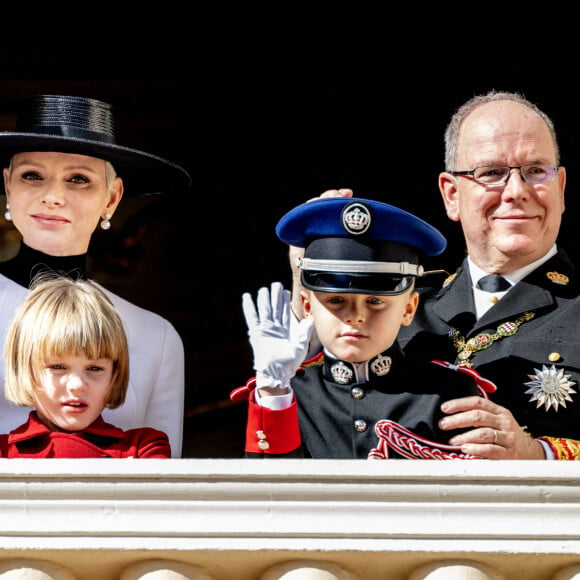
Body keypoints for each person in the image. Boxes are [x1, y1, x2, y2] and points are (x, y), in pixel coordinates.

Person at [290, 91, 580, 460]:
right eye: (491, 173)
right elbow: (311, 404)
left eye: (536, 171)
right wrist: (308, 274)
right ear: (451, 195)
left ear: (561, 187)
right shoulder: (404, 301)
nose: (516, 192)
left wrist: (539, 455)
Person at [231, 197, 496, 459]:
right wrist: (273, 395)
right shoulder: (290, 394)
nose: (356, 316)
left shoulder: (449, 393)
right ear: (307, 306)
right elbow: (270, 495)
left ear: (408, 309)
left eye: (375, 301)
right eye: (335, 301)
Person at [0, 94, 191, 457]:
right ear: (9, 185)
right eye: (32, 175)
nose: (53, 196)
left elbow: (164, 488)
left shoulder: (156, 335)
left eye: (78, 179)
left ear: (113, 197)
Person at [0, 274, 171, 458]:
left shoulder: (144, 447)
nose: (78, 385)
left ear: (114, 375)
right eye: (58, 367)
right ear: (26, 371)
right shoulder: (4, 452)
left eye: (95, 368)